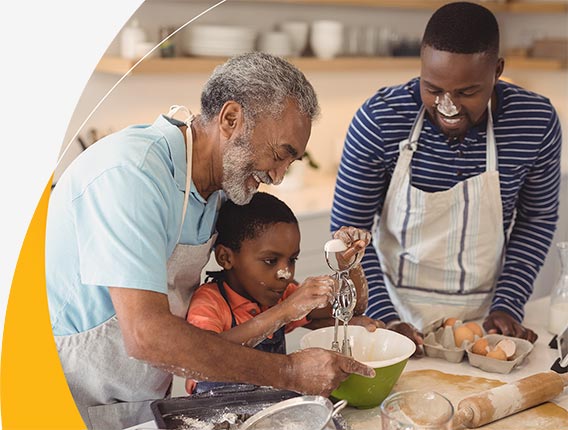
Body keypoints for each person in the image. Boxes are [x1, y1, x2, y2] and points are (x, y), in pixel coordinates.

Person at [45, 52, 375, 430]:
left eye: (291, 163)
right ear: (231, 119)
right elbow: (146, 335)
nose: (279, 176)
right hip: (65, 395)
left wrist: (346, 271)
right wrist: (288, 371)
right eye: (279, 155)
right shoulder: (130, 175)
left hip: (135, 397)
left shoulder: (219, 192)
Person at [331, 2, 561, 353]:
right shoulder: (379, 120)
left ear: (497, 70)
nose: (447, 106)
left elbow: (536, 219)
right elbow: (349, 234)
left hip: (487, 320)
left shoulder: (535, 121)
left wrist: (508, 304)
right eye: (433, 89)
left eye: (466, 92)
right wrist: (384, 319)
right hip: (392, 316)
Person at [185, 192, 382, 394]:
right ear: (225, 257)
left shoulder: (281, 294)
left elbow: (353, 307)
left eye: (292, 260)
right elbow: (204, 355)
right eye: (270, 260)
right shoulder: (209, 302)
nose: (286, 273)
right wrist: (285, 311)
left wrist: (350, 265)